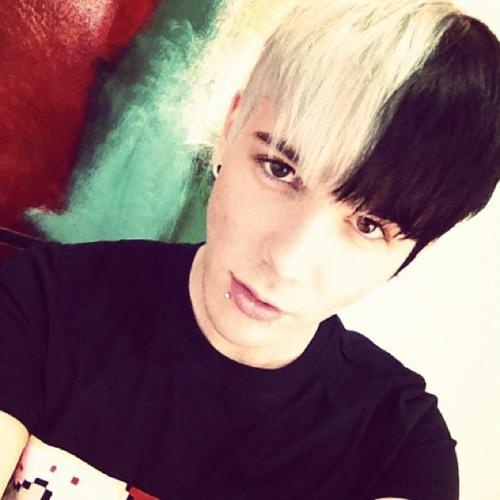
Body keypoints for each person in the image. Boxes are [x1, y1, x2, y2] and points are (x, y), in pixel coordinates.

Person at [1, 0, 498, 498]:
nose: (286, 262)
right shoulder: (41, 302)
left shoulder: (395, 446)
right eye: (279, 169)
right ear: (229, 129)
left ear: (416, 250)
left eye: (369, 225)